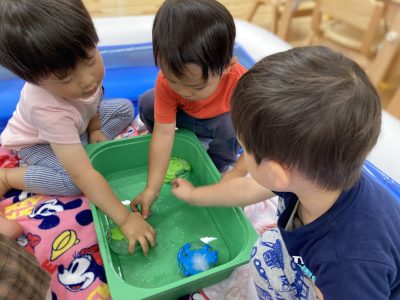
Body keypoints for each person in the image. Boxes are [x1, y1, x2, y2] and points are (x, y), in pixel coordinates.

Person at [171, 46, 400, 299]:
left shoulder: (348, 263)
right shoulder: (313, 174)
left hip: (354, 281)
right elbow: (247, 188)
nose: (241, 158)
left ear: (276, 172)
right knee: (266, 246)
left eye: (244, 149)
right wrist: (195, 195)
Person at [0, 0, 155, 254]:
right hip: (37, 143)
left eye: (89, 57)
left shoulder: (84, 83)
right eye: (65, 78)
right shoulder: (46, 108)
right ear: (34, 80)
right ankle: (7, 177)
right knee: (72, 181)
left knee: (125, 108)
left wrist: (95, 129)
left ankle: (83, 142)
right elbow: (83, 176)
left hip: (76, 127)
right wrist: (126, 219)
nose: (87, 80)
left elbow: (94, 104)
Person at [131, 0, 246, 218]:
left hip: (219, 127)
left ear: (226, 67)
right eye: (174, 81)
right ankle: (184, 139)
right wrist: (151, 189)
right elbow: (164, 133)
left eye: (196, 86)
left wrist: (238, 173)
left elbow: (258, 141)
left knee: (232, 124)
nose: (184, 92)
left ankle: (219, 164)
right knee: (147, 102)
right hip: (182, 119)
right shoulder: (166, 80)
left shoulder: (241, 83)